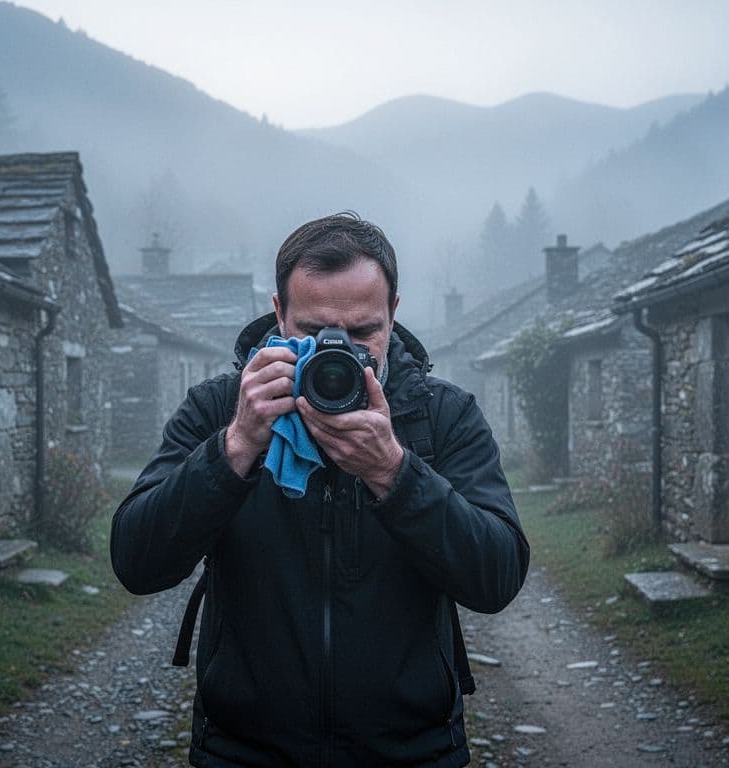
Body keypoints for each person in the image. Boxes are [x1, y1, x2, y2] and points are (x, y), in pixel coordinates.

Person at [111, 212, 529, 767]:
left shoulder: (443, 417)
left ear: (393, 313)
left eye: (363, 332)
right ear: (278, 312)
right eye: (311, 333)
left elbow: (497, 577)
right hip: (245, 753)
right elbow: (137, 562)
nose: (338, 351)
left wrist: (394, 473)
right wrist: (237, 445)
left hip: (411, 752)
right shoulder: (220, 408)